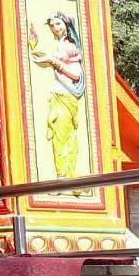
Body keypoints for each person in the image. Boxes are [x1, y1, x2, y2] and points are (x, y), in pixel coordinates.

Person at [30, 10, 86, 179]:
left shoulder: (69, 45)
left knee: (63, 137)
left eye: (58, 24)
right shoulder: (61, 44)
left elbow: (76, 74)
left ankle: (66, 177)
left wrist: (55, 62)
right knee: (58, 136)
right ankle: (63, 176)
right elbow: (47, 57)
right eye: (53, 25)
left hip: (66, 97)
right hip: (58, 96)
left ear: (67, 25)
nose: (55, 28)